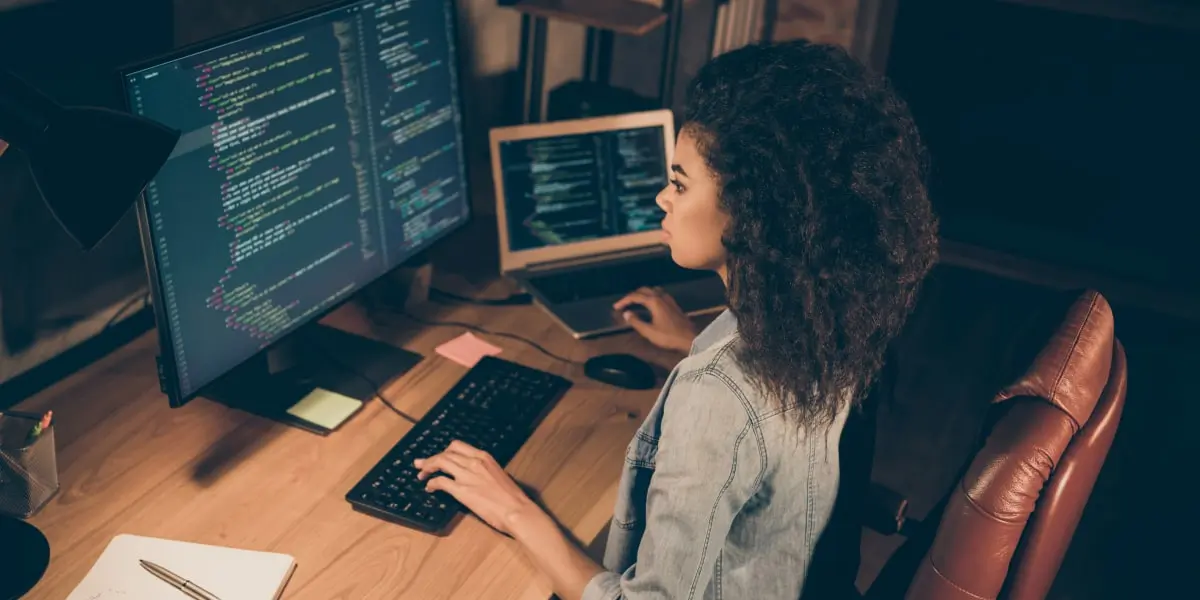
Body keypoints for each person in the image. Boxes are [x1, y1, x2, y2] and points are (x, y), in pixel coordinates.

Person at [413, 40, 938, 599]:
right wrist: (693, 340)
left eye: (681, 183)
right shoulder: (828, 325)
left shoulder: (717, 394)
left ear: (755, 214)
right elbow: (769, 431)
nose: (662, 199)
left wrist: (514, 510)